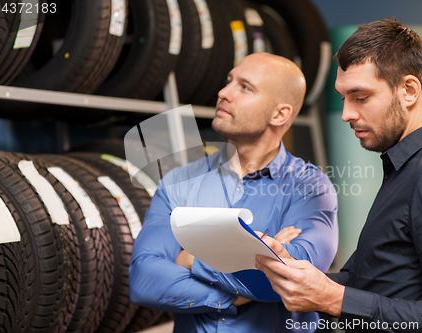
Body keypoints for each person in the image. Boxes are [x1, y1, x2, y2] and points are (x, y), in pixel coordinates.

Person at [256, 19, 422, 332]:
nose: (346, 114)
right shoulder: (406, 168)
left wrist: (334, 299)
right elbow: (369, 282)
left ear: (409, 90)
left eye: (361, 97)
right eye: (344, 97)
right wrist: (299, 276)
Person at [129, 52, 339, 333]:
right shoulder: (178, 181)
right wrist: (239, 291)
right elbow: (144, 281)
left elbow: (295, 280)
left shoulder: (310, 188)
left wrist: (189, 258)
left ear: (280, 114)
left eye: (245, 87)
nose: (223, 92)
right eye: (229, 81)